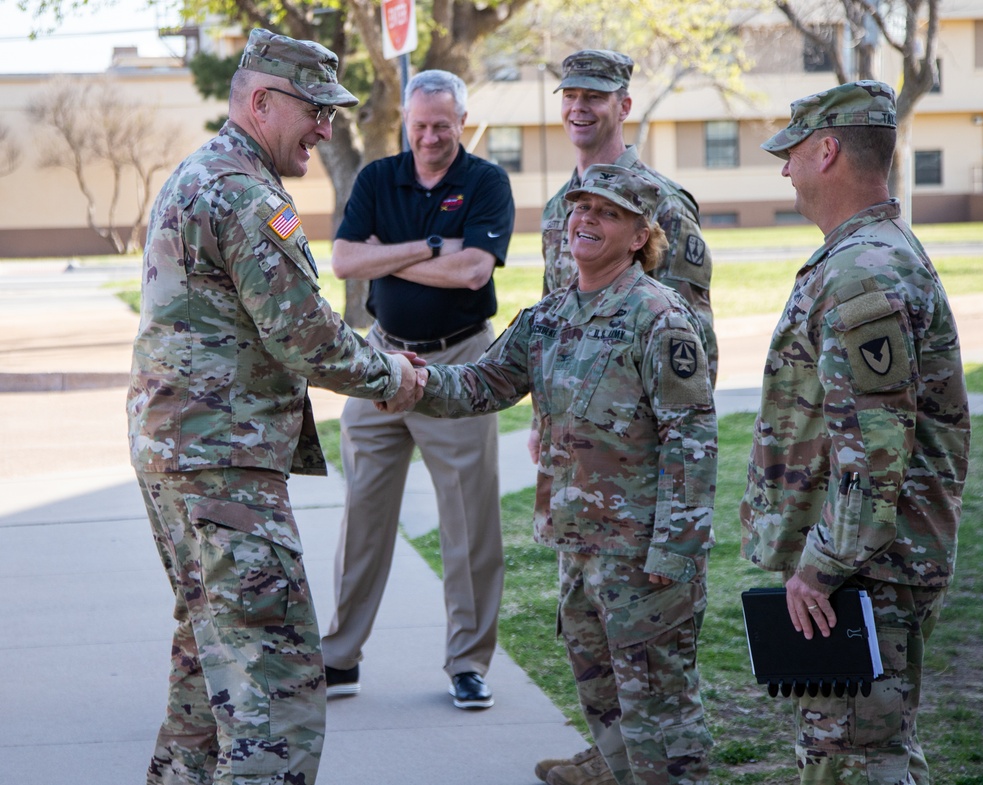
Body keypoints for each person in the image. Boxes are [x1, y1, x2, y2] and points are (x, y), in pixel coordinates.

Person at [127, 29, 425, 785]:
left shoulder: (200, 173)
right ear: (261, 101)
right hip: (222, 466)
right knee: (276, 682)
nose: (325, 128)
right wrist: (393, 373)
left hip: (180, 457)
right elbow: (310, 338)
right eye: (315, 109)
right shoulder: (246, 195)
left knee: (207, 659)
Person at [402, 164, 717, 785]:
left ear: (638, 236)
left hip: (642, 557)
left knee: (661, 715)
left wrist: (675, 550)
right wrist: (410, 379)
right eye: (580, 209)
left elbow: (694, 440)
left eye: (607, 213)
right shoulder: (549, 318)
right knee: (603, 700)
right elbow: (479, 383)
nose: (586, 220)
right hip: (578, 547)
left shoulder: (659, 318)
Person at [740, 81, 971, 784]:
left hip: (864, 572)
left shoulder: (860, 272)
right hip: (870, 562)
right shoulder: (872, 253)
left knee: (854, 759)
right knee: (872, 749)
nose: (785, 169)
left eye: (793, 154)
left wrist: (821, 566)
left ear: (828, 150)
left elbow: (873, 454)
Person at [534, 48, 717, 785]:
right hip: (578, 467)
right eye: (570, 94)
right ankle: (613, 757)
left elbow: (692, 346)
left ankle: (647, 758)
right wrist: (552, 424)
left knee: (646, 641)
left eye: (597, 96)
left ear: (624, 107)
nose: (580, 107)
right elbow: (556, 327)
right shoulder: (559, 209)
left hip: (639, 475)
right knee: (586, 623)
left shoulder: (663, 203)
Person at [321, 68, 514, 709]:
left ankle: (467, 664)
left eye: (442, 125)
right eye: (420, 125)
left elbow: (473, 271)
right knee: (362, 519)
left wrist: (392, 252)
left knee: (469, 523)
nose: (430, 137)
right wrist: (431, 245)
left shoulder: (485, 181)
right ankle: (340, 657)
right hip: (379, 361)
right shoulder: (379, 178)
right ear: (406, 120)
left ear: (462, 121)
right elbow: (345, 260)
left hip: (457, 366)